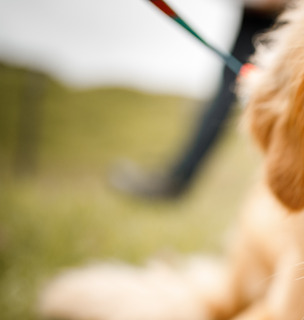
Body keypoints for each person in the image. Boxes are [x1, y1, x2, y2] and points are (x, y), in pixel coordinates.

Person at [111, 1, 287, 199]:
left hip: (283, 13)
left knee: (266, 94)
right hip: (261, 14)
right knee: (228, 90)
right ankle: (177, 178)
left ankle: (177, 180)